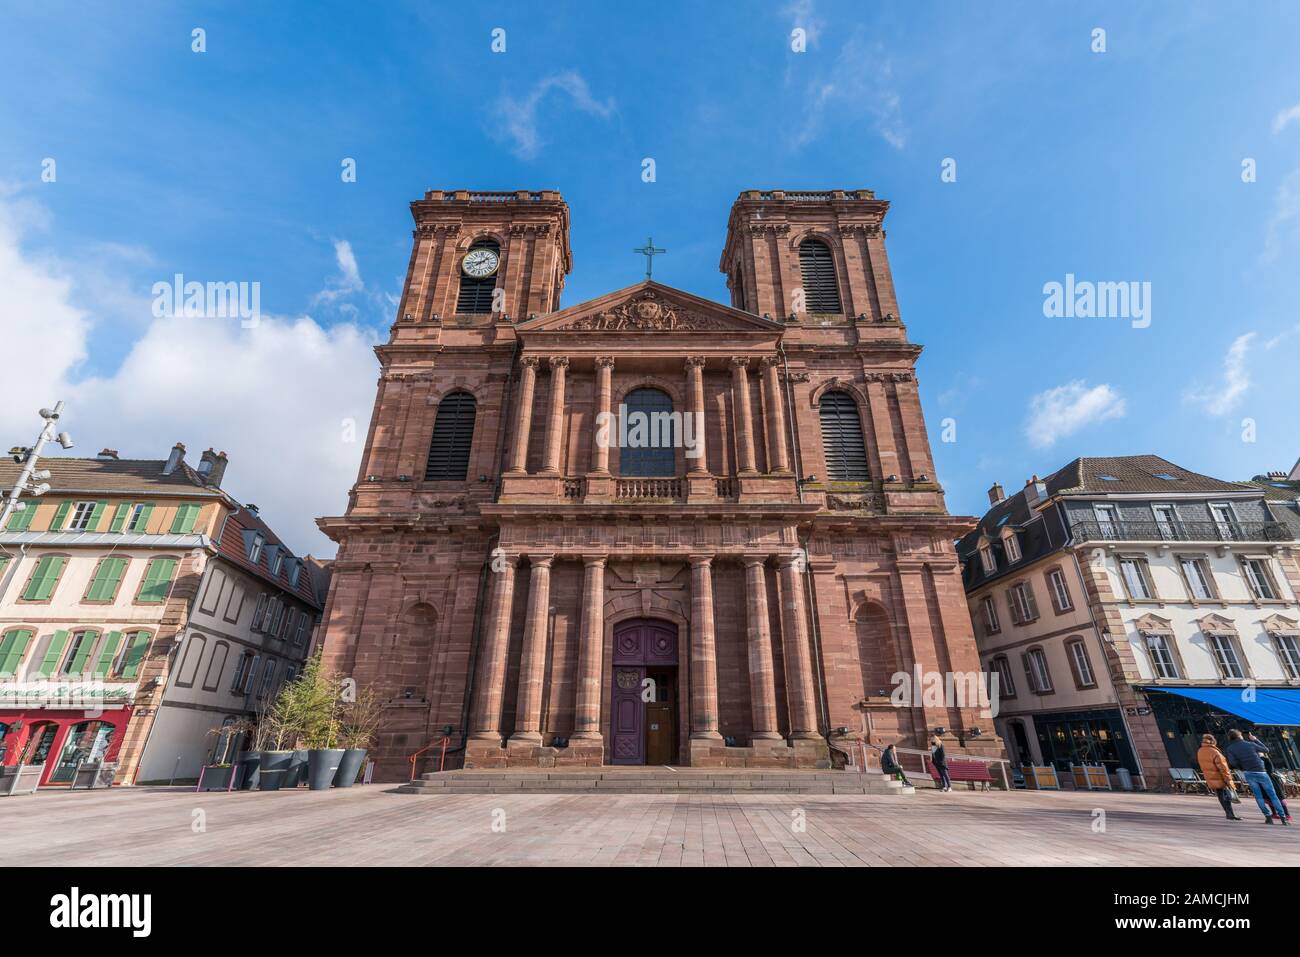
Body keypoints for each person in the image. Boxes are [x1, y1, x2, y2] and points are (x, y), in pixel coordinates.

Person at [1224, 729, 1288, 824]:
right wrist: (1255, 739)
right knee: (1273, 795)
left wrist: (1242, 767)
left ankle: (1268, 816)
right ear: (1240, 736)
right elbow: (1266, 750)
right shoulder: (1250, 744)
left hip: (1248, 772)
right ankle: (1283, 818)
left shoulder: (1230, 748)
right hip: (1261, 771)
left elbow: (1233, 762)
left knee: (1259, 796)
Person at [1247, 732, 1292, 823]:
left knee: (1276, 797)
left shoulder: (1264, 759)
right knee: (1271, 798)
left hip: (1270, 780)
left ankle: (1287, 815)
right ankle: (1275, 813)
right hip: (1266, 780)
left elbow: (1270, 770)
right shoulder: (1260, 758)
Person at [1196, 734, 1241, 821]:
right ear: (1213, 741)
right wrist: (1228, 780)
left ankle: (1229, 813)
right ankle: (1230, 814)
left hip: (1210, 777)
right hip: (1219, 777)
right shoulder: (1214, 751)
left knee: (1221, 795)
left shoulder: (1200, 751)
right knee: (1226, 796)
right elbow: (1223, 768)